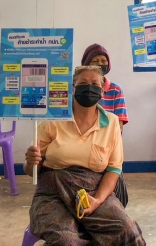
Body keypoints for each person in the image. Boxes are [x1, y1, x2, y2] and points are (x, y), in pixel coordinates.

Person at [25, 66, 145, 245]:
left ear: (102, 91)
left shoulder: (111, 122)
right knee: (66, 240)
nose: (89, 88)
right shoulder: (53, 120)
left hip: (92, 191)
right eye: (83, 83)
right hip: (52, 193)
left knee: (128, 232)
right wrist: (31, 162)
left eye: (95, 84)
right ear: (73, 88)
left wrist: (97, 200)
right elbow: (31, 171)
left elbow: (113, 169)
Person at [81, 44, 128, 130]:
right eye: (95, 61)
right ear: (86, 64)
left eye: (104, 61)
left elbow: (119, 125)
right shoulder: (78, 88)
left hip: (108, 136)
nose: (100, 64)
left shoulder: (116, 90)